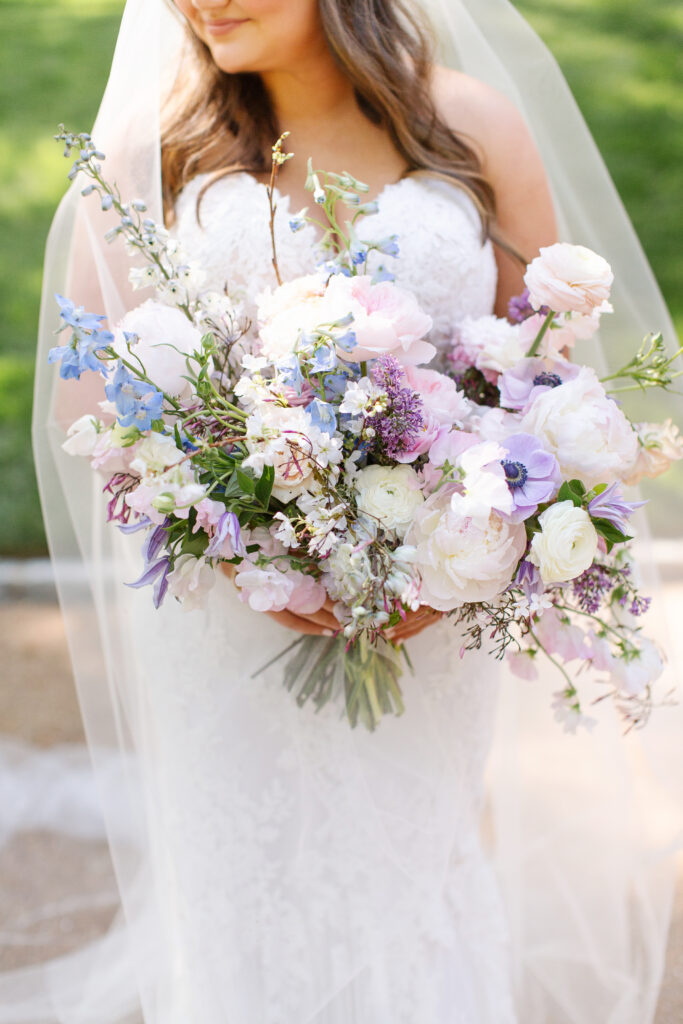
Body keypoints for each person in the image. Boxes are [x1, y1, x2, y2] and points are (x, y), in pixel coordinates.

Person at [18, 0, 681, 1021]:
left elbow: (543, 379)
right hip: (221, 609)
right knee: (242, 881)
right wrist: (246, 553)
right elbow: (90, 403)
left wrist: (456, 552)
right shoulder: (150, 150)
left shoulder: (469, 126)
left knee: (411, 867)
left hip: (432, 611)